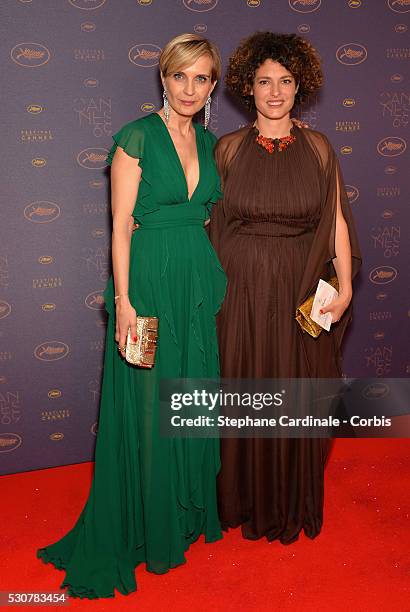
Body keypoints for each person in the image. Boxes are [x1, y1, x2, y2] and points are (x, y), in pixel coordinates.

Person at [37, 33, 227, 598]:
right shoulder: (136, 138)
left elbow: (207, 215)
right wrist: (124, 302)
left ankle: (182, 515)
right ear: (163, 79)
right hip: (146, 283)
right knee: (148, 406)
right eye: (180, 76)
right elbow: (120, 226)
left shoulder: (212, 142)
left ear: (212, 84)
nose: (190, 88)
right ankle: (143, 527)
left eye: (202, 78)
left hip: (194, 282)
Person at [209, 32, 362, 544]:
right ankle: (242, 498)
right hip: (241, 290)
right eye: (264, 81)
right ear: (247, 88)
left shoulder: (320, 148)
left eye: (286, 81)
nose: (275, 92)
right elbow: (205, 223)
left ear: (301, 86)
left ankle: (289, 498)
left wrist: (342, 286)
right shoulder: (227, 150)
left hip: (301, 285)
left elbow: (336, 218)